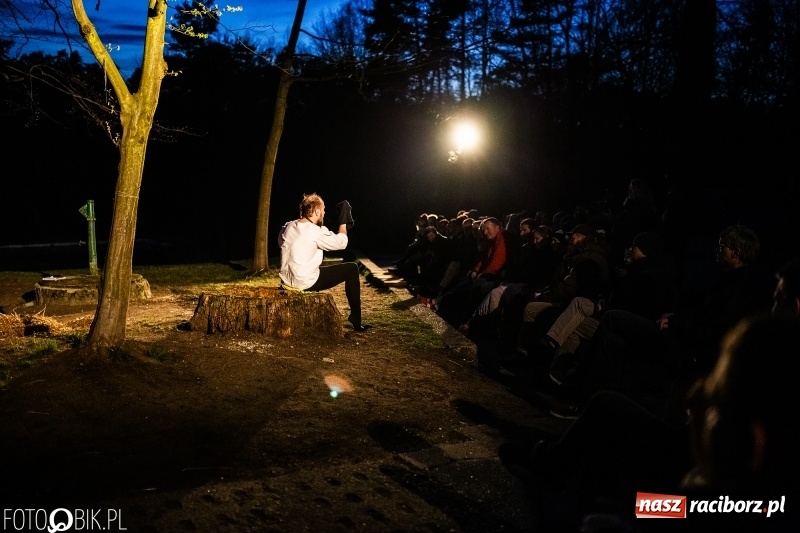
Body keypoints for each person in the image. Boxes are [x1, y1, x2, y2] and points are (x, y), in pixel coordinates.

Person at [278, 193, 371, 332]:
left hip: (287, 281)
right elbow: (342, 243)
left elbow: (281, 242)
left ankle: (356, 319)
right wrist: (343, 220)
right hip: (305, 283)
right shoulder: (316, 231)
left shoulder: (288, 226)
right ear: (317, 211)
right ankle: (356, 320)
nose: (324, 213)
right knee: (352, 269)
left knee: (319, 268)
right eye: (323, 210)